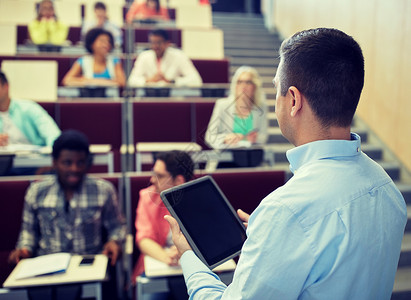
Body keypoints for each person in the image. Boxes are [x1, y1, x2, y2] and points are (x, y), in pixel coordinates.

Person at [165, 28, 408, 299]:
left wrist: (189, 258)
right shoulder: (388, 189)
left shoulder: (286, 211)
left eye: (275, 88)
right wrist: (268, 242)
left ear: (293, 100)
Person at [8, 129, 126, 265]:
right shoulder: (36, 191)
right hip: (47, 264)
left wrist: (114, 241)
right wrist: (24, 250)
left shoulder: (104, 190)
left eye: (80, 163)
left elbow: (117, 226)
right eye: (67, 163)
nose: (74, 169)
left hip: (89, 263)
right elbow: (28, 232)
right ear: (54, 162)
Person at [134, 150, 194, 300]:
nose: (152, 180)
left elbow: (210, 238)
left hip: (193, 267)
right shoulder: (147, 197)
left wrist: (185, 251)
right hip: (158, 264)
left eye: (159, 176)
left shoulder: (201, 198)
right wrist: (168, 257)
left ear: (178, 181)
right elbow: (143, 239)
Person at [205, 66, 268, 149]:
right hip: (226, 156)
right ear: (235, 85)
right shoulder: (222, 105)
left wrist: (256, 138)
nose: (243, 86)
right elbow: (209, 137)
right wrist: (225, 138)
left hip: (251, 156)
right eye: (239, 82)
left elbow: (263, 136)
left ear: (255, 86)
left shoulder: (261, 107)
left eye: (248, 82)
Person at [0, 71, 60, 148]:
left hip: (33, 156)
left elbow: (52, 134)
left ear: (6, 86)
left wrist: (53, 150)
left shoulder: (28, 108)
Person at [127, 29, 203, 87]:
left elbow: (196, 80)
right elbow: (131, 81)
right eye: (153, 42)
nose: (155, 46)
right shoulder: (144, 56)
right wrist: (149, 80)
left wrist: (171, 81)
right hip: (148, 98)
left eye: (159, 43)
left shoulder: (179, 56)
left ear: (167, 43)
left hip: (173, 99)